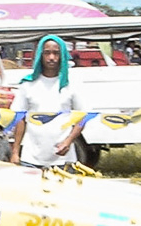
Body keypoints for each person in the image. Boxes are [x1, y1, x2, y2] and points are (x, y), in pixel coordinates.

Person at [8, 34, 87, 168]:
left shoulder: (72, 84)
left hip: (63, 160)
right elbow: (19, 118)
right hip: (30, 159)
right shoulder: (28, 85)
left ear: (62, 56)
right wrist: (15, 152)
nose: (51, 58)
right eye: (47, 53)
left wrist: (68, 141)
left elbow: (83, 116)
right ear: (40, 55)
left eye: (56, 53)